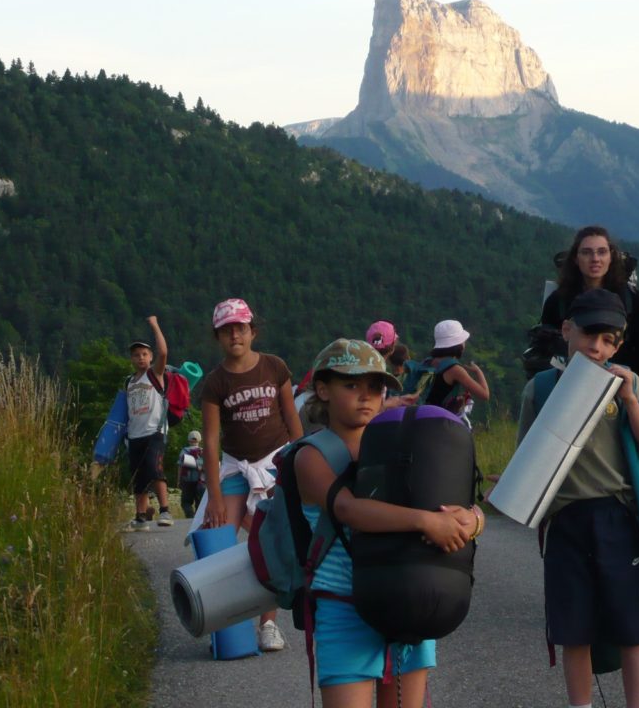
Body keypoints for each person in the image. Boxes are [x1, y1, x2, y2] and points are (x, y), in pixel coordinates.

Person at [294, 338, 483, 708]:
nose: (366, 396)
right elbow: (349, 510)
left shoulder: (401, 448)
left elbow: (461, 506)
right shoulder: (312, 456)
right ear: (322, 389)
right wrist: (426, 522)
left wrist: (471, 521)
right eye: (351, 386)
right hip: (343, 605)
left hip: (408, 593)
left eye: (376, 387)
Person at [515, 289, 639, 708]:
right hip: (565, 519)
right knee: (573, 629)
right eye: (587, 335)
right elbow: (527, 455)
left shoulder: (628, 384)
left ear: (618, 343)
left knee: (633, 626)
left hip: (618, 516)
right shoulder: (541, 388)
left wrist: (629, 400)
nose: (596, 347)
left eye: (608, 340)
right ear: (566, 330)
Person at [200, 298, 303, 652]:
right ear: (217, 337)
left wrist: (300, 464)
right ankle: (228, 625)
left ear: (252, 331)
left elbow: (293, 421)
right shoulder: (215, 383)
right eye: (226, 330)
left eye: (240, 328)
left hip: (274, 461)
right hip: (234, 464)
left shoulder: (275, 367)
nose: (234, 336)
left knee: (270, 541)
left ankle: (269, 625)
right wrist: (214, 496)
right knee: (220, 539)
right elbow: (211, 441)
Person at [540, 226, 639, 400]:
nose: (595, 259)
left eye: (601, 252)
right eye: (587, 252)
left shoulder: (632, 299)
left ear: (611, 256)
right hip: (569, 389)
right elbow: (545, 349)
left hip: (620, 390)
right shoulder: (557, 301)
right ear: (576, 258)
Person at [125, 317, 174, 531]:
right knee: (138, 477)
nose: (141, 358)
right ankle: (141, 516)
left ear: (150, 357)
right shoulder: (129, 381)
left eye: (144, 354)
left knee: (156, 469)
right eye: (136, 355)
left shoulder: (155, 374)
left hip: (154, 431)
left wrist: (154, 325)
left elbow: (163, 352)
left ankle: (165, 511)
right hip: (134, 434)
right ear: (131, 358)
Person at [415, 320, 490, 425]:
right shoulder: (455, 369)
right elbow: (484, 395)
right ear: (458, 344)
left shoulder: (428, 362)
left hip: (420, 418)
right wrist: (479, 372)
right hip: (439, 423)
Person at [177, 430, 205, 519]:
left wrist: (178, 480)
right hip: (201, 481)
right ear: (199, 440)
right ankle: (197, 518)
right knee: (199, 502)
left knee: (186, 502)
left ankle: (190, 516)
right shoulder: (203, 451)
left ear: (189, 440)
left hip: (187, 480)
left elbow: (180, 466)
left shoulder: (184, 451)